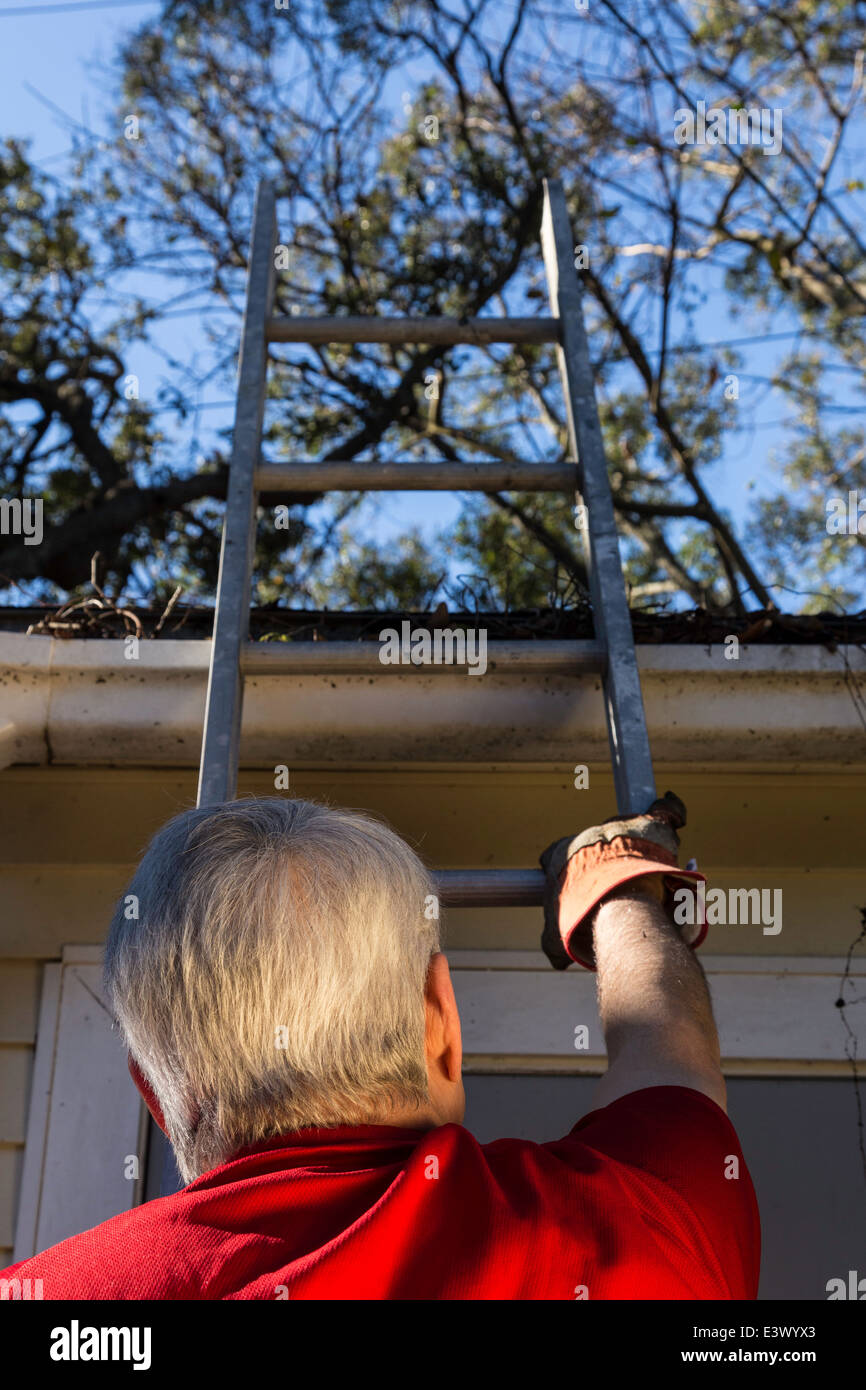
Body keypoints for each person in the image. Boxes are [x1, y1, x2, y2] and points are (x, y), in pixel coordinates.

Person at [0, 794, 759, 1300]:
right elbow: (670, 1056)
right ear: (441, 1023)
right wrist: (615, 887)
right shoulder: (639, 1231)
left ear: (156, 1097)